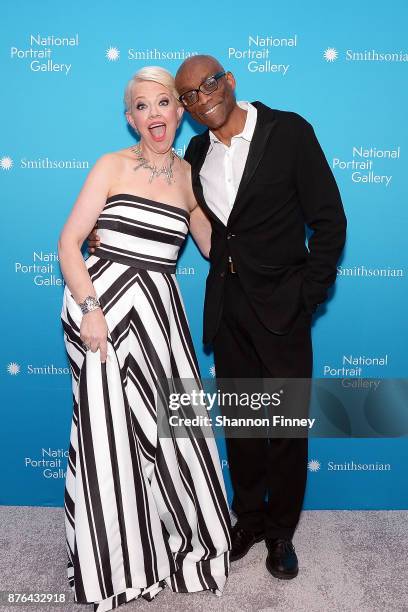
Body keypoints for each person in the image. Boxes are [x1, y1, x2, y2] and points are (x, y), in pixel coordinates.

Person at [58, 66, 230, 612]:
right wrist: (88, 309)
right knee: (108, 439)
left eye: (163, 103)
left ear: (180, 112)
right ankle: (117, 568)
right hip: (100, 307)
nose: (154, 114)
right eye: (142, 106)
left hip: (159, 310)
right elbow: (69, 243)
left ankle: (188, 548)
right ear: (130, 117)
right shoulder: (109, 165)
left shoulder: (190, 178)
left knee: (175, 431)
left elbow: (214, 246)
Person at [174, 55, 347, 579]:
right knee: (245, 426)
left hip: (283, 307)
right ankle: (247, 519)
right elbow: (198, 221)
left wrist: (307, 296)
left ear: (229, 81)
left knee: (285, 427)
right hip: (229, 309)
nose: (202, 99)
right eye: (189, 95)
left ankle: (280, 532)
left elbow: (329, 220)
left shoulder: (288, 131)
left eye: (208, 84)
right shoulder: (197, 149)